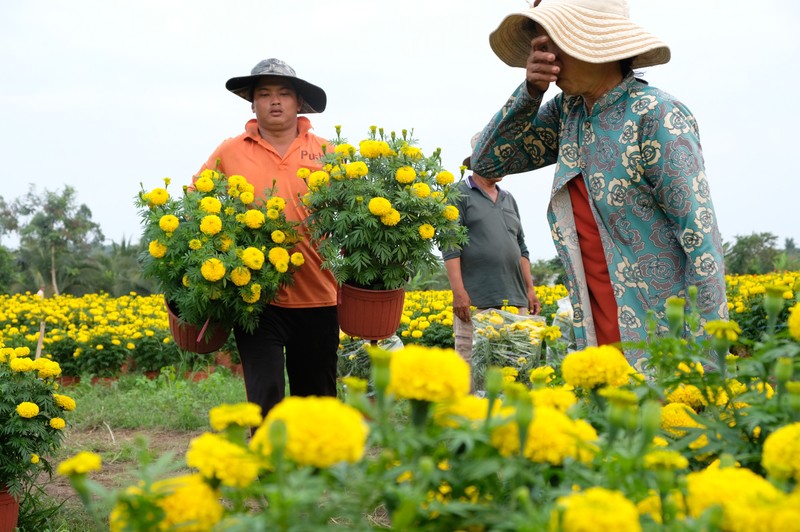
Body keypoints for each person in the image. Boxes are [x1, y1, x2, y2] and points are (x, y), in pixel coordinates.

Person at [471, 0, 728, 367]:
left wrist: (708, 366)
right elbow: (488, 161)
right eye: (542, 48)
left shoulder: (656, 115)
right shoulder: (568, 114)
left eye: (555, 43)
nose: (548, 57)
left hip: (662, 341)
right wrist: (529, 92)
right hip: (595, 336)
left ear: (599, 46)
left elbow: (700, 242)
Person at [197, 58, 339, 416]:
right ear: (253, 103)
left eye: (283, 94)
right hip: (257, 296)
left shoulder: (329, 152)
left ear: (298, 103)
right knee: (265, 394)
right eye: (265, 94)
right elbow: (196, 203)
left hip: (319, 294)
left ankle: (315, 471)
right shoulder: (230, 151)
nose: (275, 101)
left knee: (317, 398)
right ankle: (271, 471)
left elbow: (354, 213)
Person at [443, 132, 541, 387]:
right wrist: (459, 292)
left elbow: (521, 248)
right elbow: (450, 246)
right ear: (478, 161)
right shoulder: (459, 194)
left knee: (512, 368)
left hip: (515, 300)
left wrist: (530, 289)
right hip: (478, 301)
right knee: (472, 368)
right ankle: (470, 421)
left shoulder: (509, 199)